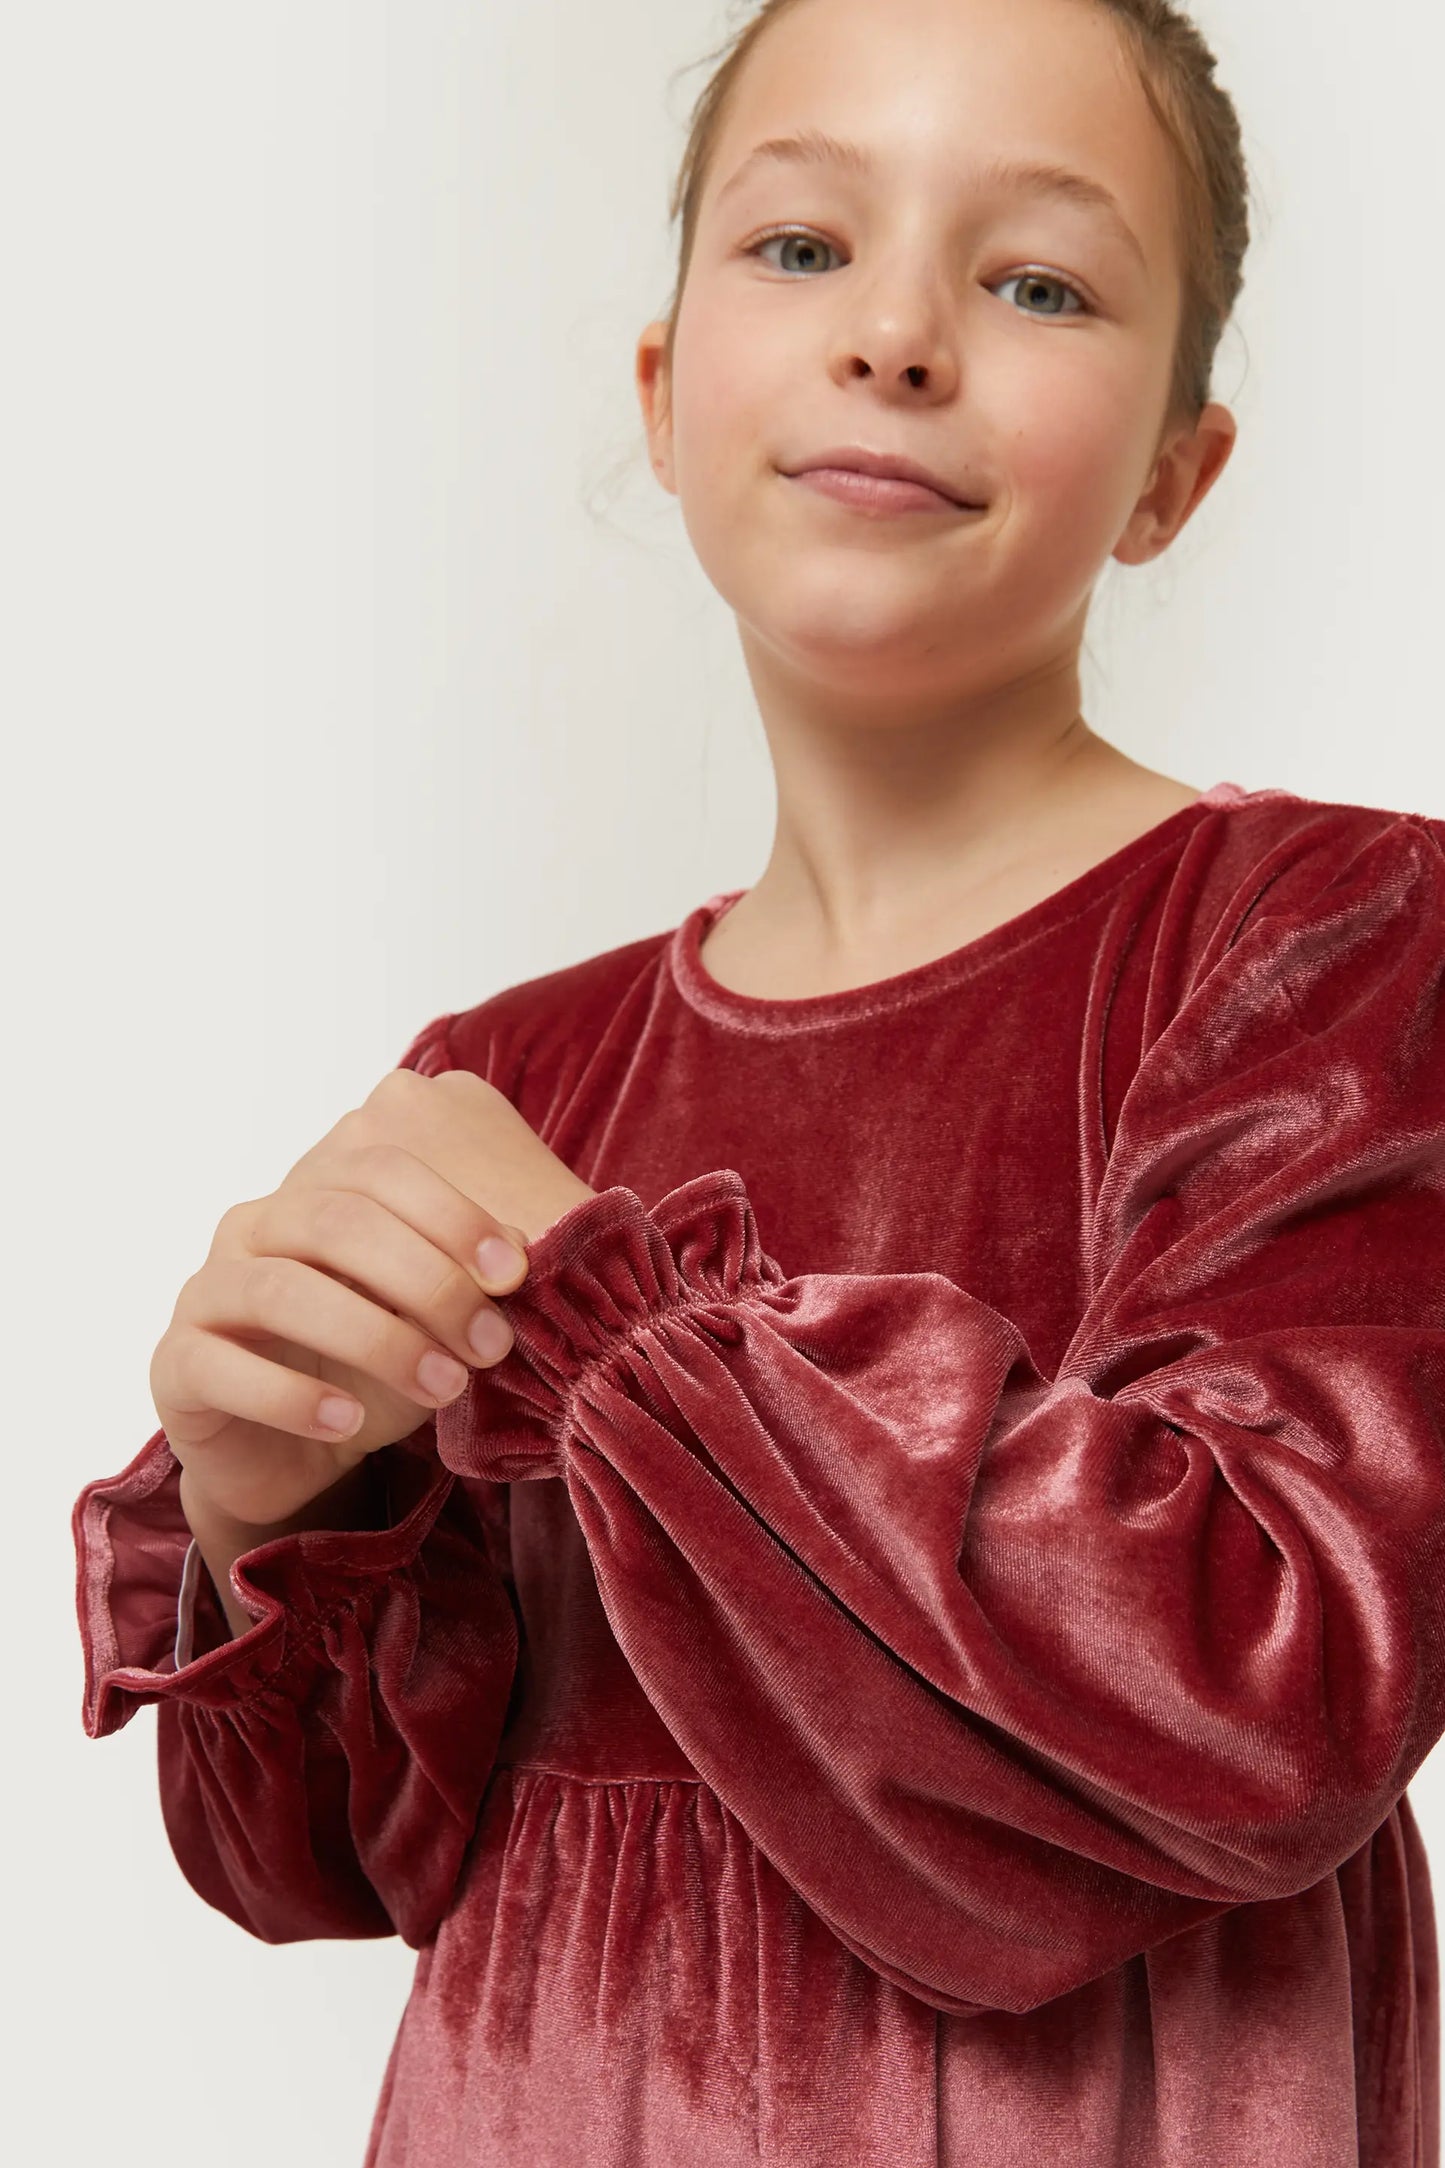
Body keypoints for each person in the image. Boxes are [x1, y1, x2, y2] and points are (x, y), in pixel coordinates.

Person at [71, 0, 1445, 2161]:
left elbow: (1261, 1698)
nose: (898, 333)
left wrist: (627, 1331)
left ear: (1179, 472)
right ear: (665, 383)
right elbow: (320, 1863)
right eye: (800, 245)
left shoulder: (1322, 944)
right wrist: (263, 1514)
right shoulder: (506, 1073)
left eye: (1039, 280)